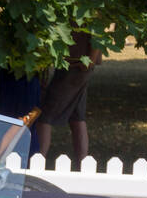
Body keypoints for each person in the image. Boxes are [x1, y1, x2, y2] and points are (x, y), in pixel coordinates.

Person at [33, 30, 101, 165]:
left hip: (77, 64)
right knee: (77, 117)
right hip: (73, 63)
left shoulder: (90, 11)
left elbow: (99, 33)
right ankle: (82, 165)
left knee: (45, 116)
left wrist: (91, 60)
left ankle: (37, 164)